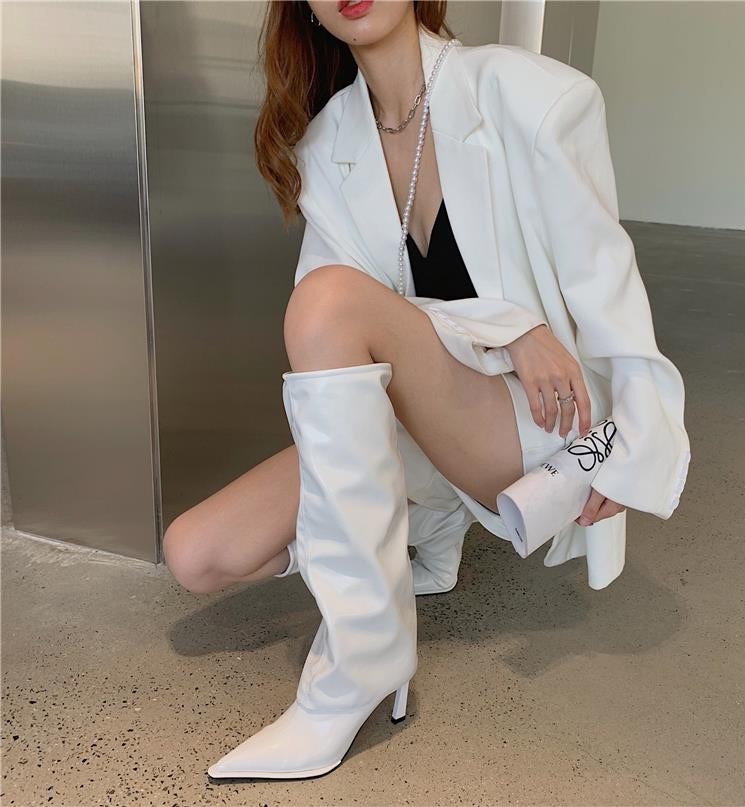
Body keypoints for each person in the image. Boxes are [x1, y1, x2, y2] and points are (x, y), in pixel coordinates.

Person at [164, 0, 690, 781]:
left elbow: (609, 287)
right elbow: (342, 364)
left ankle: (360, 662)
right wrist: (508, 325)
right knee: (195, 554)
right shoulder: (329, 146)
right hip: (425, 420)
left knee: (324, 301)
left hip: (539, 422)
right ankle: (420, 531)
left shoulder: (530, 95)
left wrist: (632, 446)